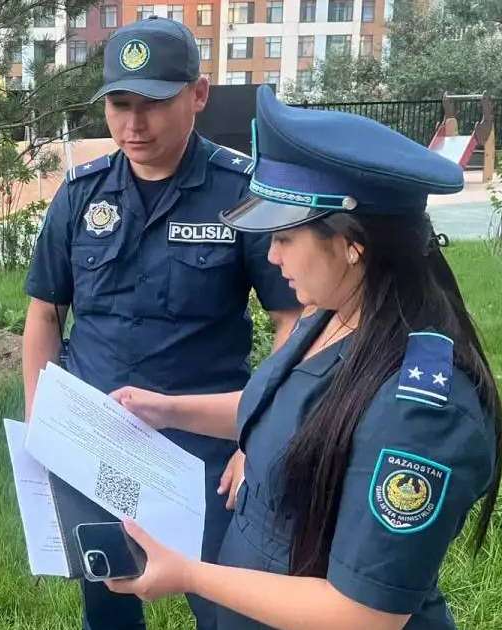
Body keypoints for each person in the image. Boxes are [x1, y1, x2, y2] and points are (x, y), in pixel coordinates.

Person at [104, 85, 502, 629]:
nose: (269, 256)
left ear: (352, 244)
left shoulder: (421, 411)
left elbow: (365, 615)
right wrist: (168, 410)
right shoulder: (332, 312)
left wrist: (188, 575)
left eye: (285, 238)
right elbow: (286, 409)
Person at [22, 17, 302, 630]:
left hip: (208, 451)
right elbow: (45, 312)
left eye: (153, 103)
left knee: (228, 608)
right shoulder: (80, 194)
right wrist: (43, 428)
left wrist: (258, 440)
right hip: (97, 444)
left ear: (198, 96)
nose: (133, 124)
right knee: (110, 603)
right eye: (120, 104)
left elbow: (293, 320)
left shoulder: (241, 192)